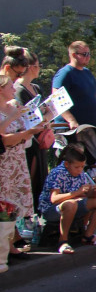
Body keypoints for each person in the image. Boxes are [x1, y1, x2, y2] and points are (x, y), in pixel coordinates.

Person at [1, 74, 47, 241]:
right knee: (4, 200)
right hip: (4, 161)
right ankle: (7, 243)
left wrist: (39, 124)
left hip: (18, 158)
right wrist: (14, 117)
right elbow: (2, 133)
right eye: (10, 87)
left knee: (16, 199)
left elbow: (26, 129)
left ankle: (12, 240)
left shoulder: (14, 105)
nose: (14, 89)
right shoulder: (7, 109)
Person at [39, 144, 96, 253]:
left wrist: (92, 192)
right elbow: (54, 199)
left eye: (82, 166)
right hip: (51, 209)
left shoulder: (81, 173)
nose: (80, 170)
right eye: (77, 167)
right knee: (70, 204)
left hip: (73, 204)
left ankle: (88, 235)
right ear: (67, 164)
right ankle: (63, 241)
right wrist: (77, 192)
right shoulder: (57, 173)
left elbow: (83, 194)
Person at [14, 50, 50, 201]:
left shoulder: (36, 88)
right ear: (30, 67)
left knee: (41, 176)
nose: (40, 68)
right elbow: (25, 118)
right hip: (29, 139)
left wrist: (47, 117)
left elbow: (46, 111)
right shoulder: (18, 89)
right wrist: (45, 117)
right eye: (38, 65)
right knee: (30, 175)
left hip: (41, 137)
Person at [52, 41, 96, 129]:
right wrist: (71, 120)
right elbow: (56, 99)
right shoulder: (65, 73)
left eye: (89, 54)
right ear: (74, 55)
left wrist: (88, 102)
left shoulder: (86, 72)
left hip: (88, 127)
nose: (88, 57)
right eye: (85, 54)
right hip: (70, 128)